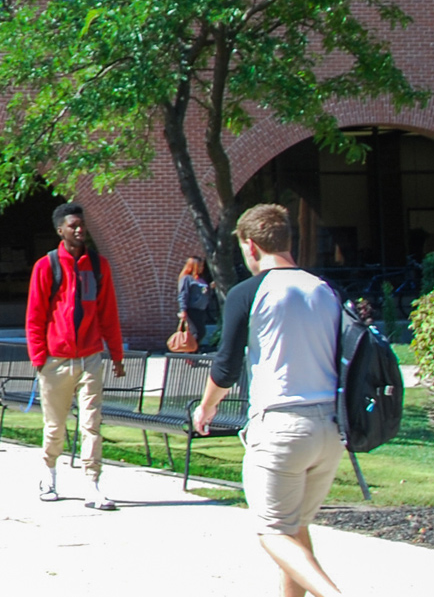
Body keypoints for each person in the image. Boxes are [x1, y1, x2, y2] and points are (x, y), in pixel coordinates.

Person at [196, 204, 350, 597]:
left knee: (273, 532)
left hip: (281, 428)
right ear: (287, 240)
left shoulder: (250, 292)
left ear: (250, 245)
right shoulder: (325, 290)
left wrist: (206, 406)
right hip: (330, 431)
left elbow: (226, 366)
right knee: (296, 528)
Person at [27, 202, 128, 510]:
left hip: (90, 358)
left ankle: (92, 484)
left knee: (92, 424)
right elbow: (35, 315)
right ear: (61, 230)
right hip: (56, 360)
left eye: (82, 225)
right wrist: (39, 358)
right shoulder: (47, 266)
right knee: (55, 426)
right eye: (73, 225)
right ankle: (49, 472)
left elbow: (108, 312)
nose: (80, 230)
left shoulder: (99, 267)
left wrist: (116, 354)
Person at [178, 256, 219, 351]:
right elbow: (183, 294)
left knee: (201, 332)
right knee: (196, 332)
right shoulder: (187, 279)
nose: (202, 268)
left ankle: (193, 354)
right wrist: (183, 310)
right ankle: (189, 355)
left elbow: (203, 292)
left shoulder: (200, 279)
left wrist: (209, 288)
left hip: (201, 309)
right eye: (199, 266)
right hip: (192, 309)